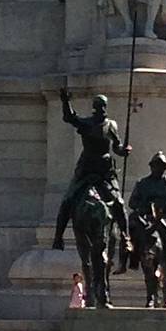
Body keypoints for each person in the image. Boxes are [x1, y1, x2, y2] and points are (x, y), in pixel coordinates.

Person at [52, 89, 132, 273]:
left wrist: (123, 151)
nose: (101, 109)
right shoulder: (87, 123)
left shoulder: (111, 124)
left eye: (103, 106)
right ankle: (58, 236)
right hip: (87, 169)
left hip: (105, 170)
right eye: (98, 106)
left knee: (119, 203)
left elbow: (116, 146)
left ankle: (126, 237)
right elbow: (69, 118)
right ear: (94, 108)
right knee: (68, 200)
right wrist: (65, 101)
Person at [129, 151, 166, 280]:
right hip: (147, 218)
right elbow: (132, 202)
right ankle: (132, 258)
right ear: (151, 167)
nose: (158, 169)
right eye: (156, 166)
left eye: (161, 166)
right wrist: (144, 208)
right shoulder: (142, 183)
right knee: (133, 230)